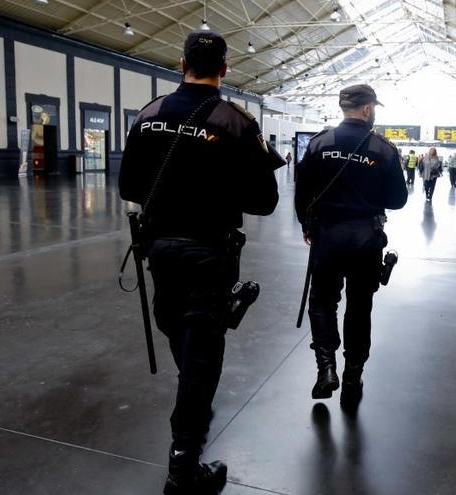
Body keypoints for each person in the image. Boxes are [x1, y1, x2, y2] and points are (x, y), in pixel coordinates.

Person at [119, 30, 282, 494]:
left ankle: (191, 404)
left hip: (162, 251)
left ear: (181, 63)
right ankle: (183, 469)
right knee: (202, 359)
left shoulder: (148, 115)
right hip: (209, 253)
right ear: (224, 70)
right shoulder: (235, 121)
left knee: (182, 336)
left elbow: (129, 186)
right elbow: (265, 201)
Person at [295, 84, 408, 407]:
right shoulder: (383, 149)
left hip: (327, 237)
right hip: (365, 240)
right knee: (360, 308)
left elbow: (302, 192)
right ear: (368, 109)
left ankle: (326, 367)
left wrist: (308, 225)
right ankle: (352, 375)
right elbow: (398, 200)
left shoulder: (320, 143)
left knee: (322, 302)